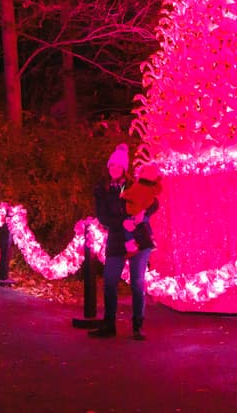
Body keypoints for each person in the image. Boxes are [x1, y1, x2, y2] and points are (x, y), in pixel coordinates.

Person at [89, 143, 159, 340]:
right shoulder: (102, 189)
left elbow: (153, 202)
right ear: (108, 167)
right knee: (110, 281)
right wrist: (123, 222)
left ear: (124, 168)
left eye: (118, 167)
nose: (115, 170)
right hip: (117, 240)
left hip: (138, 239)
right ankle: (109, 325)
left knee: (137, 283)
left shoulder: (135, 185)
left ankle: (138, 325)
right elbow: (103, 217)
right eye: (112, 166)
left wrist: (142, 214)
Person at [120, 161, 163, 257]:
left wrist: (124, 195)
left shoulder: (139, 186)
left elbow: (130, 195)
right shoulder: (150, 188)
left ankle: (138, 244)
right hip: (133, 215)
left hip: (133, 213)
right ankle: (147, 241)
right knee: (141, 226)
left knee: (135, 228)